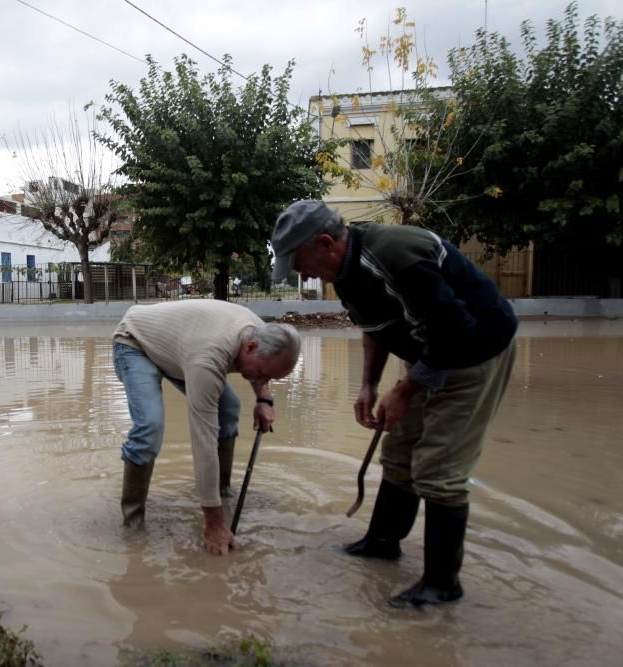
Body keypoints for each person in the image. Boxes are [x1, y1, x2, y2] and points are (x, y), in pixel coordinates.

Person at [271, 200, 517, 608]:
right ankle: (383, 543)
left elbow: (456, 331)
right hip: (429, 350)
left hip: (475, 350)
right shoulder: (346, 273)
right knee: (399, 448)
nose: (304, 275)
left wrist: (404, 390)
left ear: (327, 243)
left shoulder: (395, 256)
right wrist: (368, 384)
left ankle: (442, 585)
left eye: (300, 264)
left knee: (438, 467)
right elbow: (376, 328)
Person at [113, 300, 301, 555]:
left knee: (229, 409)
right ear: (250, 347)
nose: (263, 380)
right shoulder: (208, 357)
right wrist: (213, 523)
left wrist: (264, 399)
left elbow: (262, 368)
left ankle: (221, 493)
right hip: (136, 343)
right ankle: (133, 525)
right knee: (150, 427)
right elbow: (203, 442)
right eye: (263, 373)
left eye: (271, 378)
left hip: (179, 349)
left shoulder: (260, 331)